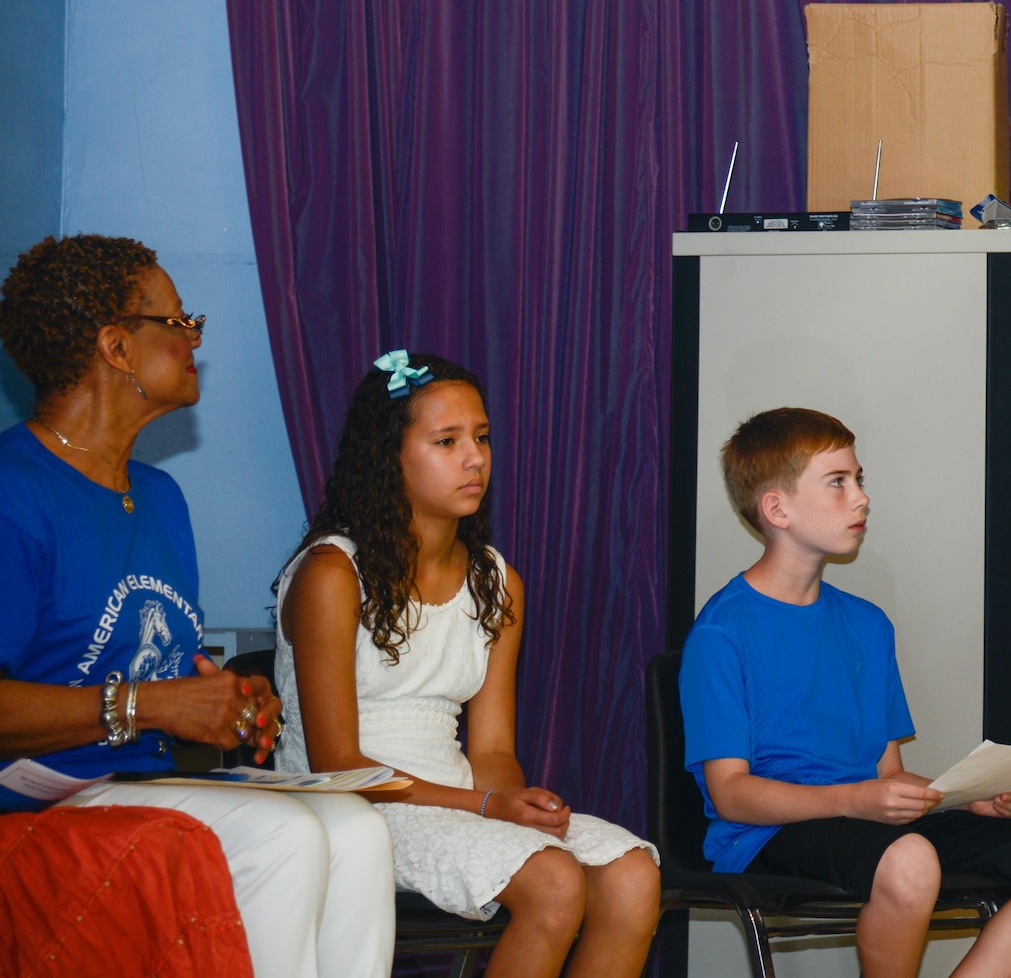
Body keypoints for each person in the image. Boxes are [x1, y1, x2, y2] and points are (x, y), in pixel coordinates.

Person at [0, 233, 395, 978]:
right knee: (283, 836)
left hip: (141, 782)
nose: (193, 339)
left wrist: (225, 698)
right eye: (177, 322)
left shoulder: (159, 497)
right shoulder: (15, 490)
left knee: (354, 827)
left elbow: (162, 664)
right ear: (116, 345)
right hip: (40, 804)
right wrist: (149, 704)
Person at [274, 350, 661, 978]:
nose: (475, 457)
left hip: (458, 794)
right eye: (446, 440)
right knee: (556, 883)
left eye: (480, 437)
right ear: (389, 456)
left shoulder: (497, 579)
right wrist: (485, 810)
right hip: (351, 809)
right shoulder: (331, 572)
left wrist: (518, 806)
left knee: (633, 874)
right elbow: (335, 765)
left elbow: (492, 749)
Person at [680, 407, 1011, 978]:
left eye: (859, 480)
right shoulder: (722, 634)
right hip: (767, 834)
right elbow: (731, 794)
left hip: (864, 820)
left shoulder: (868, 624)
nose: (861, 499)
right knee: (910, 862)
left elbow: (887, 776)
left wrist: (958, 796)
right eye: (838, 483)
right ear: (776, 509)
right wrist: (853, 800)